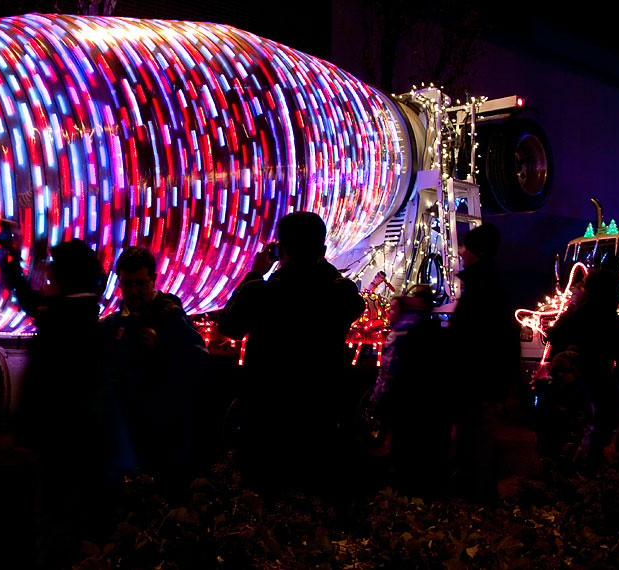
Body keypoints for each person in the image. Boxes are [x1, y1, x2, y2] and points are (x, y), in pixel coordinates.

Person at [0, 230, 128, 568]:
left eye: (55, 265)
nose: (50, 272)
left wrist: (28, 429)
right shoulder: (82, 313)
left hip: (60, 439)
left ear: (66, 274)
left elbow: (50, 381)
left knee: (55, 520)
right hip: (79, 439)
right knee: (71, 520)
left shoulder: (63, 320)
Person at [217, 211, 365, 495]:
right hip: (320, 413)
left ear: (280, 250)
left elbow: (228, 326)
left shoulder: (260, 292)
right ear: (322, 250)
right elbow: (353, 303)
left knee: (264, 497)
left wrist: (256, 272)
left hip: (266, 417)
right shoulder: (338, 293)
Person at [101, 246, 208, 487]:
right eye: (127, 284)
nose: (133, 291)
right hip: (128, 432)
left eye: (140, 283)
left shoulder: (171, 318)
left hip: (164, 434)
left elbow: (200, 364)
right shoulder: (117, 322)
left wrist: (161, 346)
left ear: (153, 280)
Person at [448, 223, 519, 502]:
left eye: (466, 246)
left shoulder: (483, 290)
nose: (461, 252)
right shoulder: (489, 287)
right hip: (480, 386)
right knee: (476, 448)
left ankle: (476, 507)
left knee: (475, 449)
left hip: (476, 387)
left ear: (478, 251)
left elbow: (479, 342)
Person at [370, 285, 450, 498]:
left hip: (400, 402)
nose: (389, 313)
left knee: (397, 451)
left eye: (393, 309)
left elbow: (389, 372)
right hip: (421, 404)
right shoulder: (429, 329)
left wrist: (377, 399)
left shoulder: (400, 334)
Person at [547, 268, 619, 470]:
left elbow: (555, 336)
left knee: (575, 433)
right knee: (595, 433)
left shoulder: (577, 315)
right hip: (599, 382)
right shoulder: (614, 321)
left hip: (575, 384)